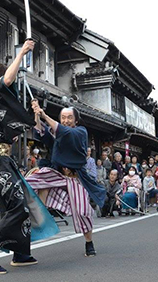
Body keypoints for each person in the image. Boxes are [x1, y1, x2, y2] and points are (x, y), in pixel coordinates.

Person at [0, 39, 58, 275]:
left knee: (25, 202)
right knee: (17, 206)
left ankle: (21, 253)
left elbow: (19, 127)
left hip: (0, 159)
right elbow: (8, 80)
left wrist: (36, 114)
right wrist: (21, 54)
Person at [31, 99, 106, 256]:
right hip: (58, 174)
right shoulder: (58, 135)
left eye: (69, 117)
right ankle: (40, 214)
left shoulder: (80, 132)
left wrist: (44, 115)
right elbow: (42, 133)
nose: (65, 120)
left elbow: (64, 132)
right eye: (63, 117)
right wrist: (37, 115)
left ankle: (89, 242)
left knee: (83, 211)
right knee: (35, 179)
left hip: (75, 178)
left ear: (76, 120)